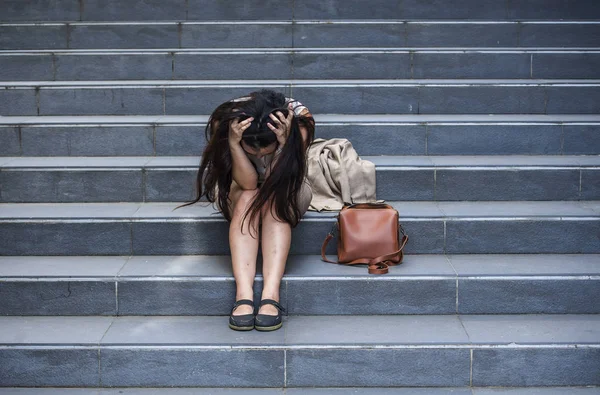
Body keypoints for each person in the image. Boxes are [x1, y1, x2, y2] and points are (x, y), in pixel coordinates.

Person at [179, 89, 315, 331]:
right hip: (240, 190)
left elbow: (277, 181)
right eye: (253, 149)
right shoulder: (227, 123)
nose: (261, 154)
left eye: (266, 149)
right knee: (250, 195)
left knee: (273, 196)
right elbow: (249, 183)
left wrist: (283, 148)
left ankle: (271, 295)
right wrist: (233, 143)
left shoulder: (300, 122)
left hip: (286, 188)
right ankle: (243, 295)